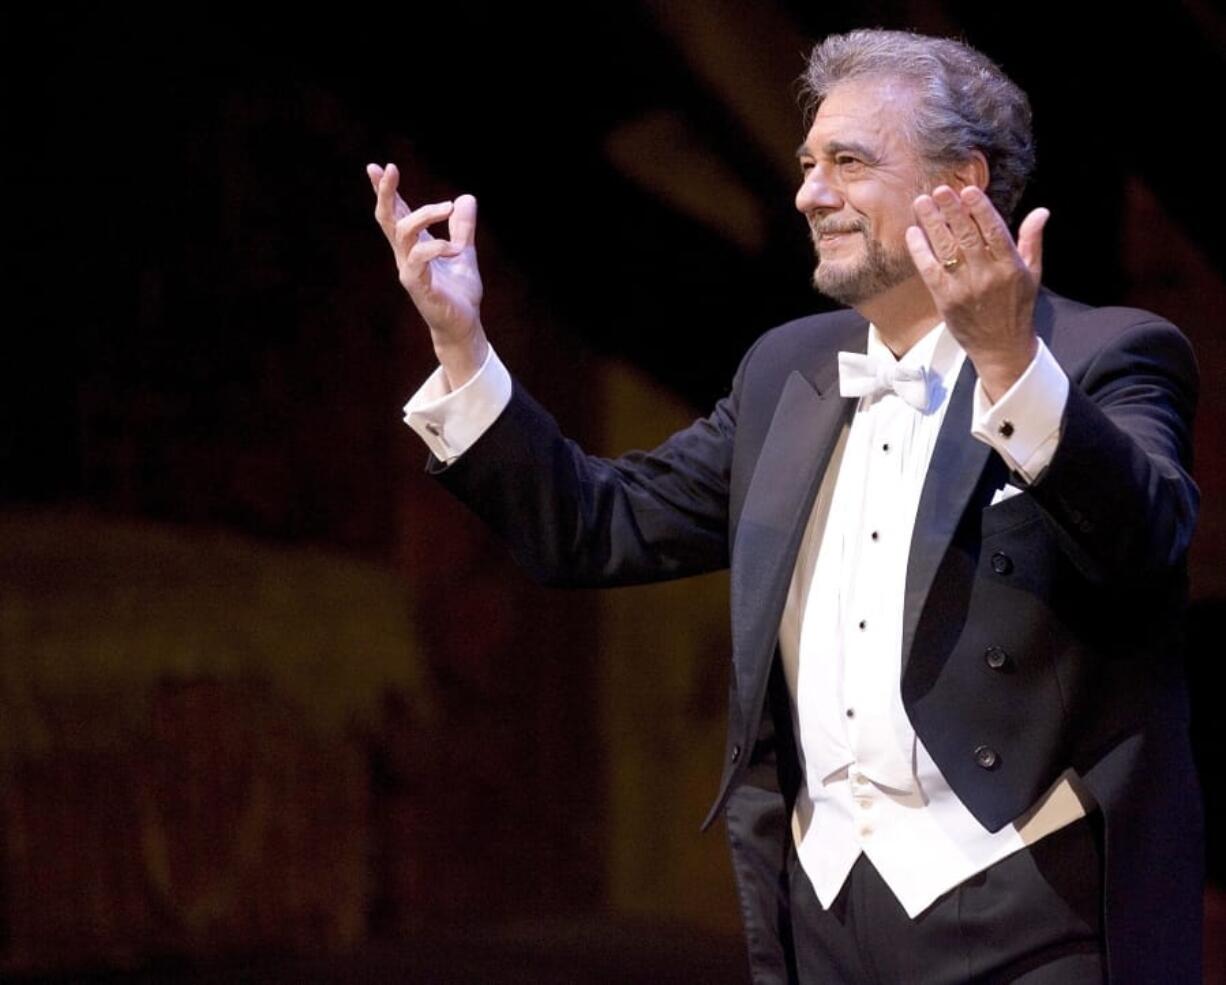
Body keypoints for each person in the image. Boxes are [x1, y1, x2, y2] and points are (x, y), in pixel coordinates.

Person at [367, 28, 1201, 985]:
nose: (809, 191)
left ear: (962, 182)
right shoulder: (786, 371)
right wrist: (464, 347)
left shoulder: (1109, 352)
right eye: (809, 163)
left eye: (848, 162)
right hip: (822, 912)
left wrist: (1011, 365)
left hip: (1029, 915)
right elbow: (594, 525)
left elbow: (1147, 539)